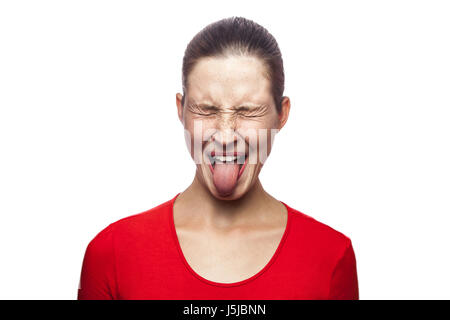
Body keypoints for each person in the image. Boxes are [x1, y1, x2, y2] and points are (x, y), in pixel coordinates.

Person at [78, 16, 359, 300]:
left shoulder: (331, 256)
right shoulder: (112, 253)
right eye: (207, 110)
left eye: (248, 110)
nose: (225, 136)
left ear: (281, 114)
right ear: (181, 110)